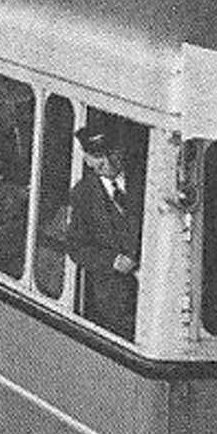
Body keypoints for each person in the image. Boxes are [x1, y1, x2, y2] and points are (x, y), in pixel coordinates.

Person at [66, 123, 143, 338]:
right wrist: (113, 261)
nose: (107, 163)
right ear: (87, 159)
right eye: (99, 157)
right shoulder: (83, 195)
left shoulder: (146, 182)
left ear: (121, 152)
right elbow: (76, 247)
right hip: (114, 301)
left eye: (111, 154)